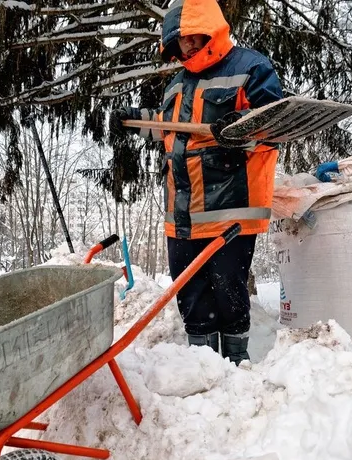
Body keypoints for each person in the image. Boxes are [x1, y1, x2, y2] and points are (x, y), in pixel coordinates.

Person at [109, 0, 284, 364]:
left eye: (191, 38)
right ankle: (200, 367)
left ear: (210, 27)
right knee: (191, 295)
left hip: (229, 207)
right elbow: (168, 126)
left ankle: (236, 367)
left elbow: (273, 126)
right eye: (179, 42)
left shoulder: (251, 67)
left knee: (228, 293)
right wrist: (136, 120)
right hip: (182, 212)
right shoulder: (177, 83)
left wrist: (238, 129)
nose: (186, 47)